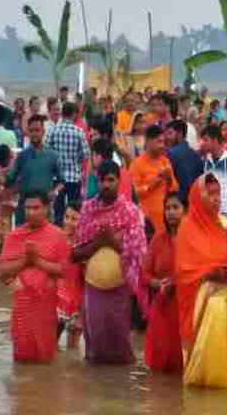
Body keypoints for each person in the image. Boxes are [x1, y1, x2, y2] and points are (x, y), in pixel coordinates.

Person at [72, 160, 148, 364]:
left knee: (120, 343)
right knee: (95, 345)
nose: (105, 185)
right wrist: (97, 244)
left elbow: (138, 255)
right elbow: (75, 254)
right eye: (101, 180)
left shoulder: (130, 212)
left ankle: (121, 389)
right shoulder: (88, 210)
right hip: (93, 289)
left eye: (110, 180)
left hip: (120, 289)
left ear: (119, 181)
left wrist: (113, 243)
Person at [176, 173, 227, 388]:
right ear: (198, 197)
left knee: (219, 361)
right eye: (210, 194)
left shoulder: (222, 227)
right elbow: (183, 272)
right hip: (197, 302)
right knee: (196, 372)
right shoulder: (186, 228)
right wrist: (209, 274)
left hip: (221, 299)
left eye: (218, 194)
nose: (216, 198)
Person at [0, 191, 70, 362]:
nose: (31, 212)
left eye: (36, 208)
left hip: (46, 305)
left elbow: (64, 270)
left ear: (46, 209)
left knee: (44, 358)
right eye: (27, 208)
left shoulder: (57, 236)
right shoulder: (15, 236)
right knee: (22, 357)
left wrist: (37, 261)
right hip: (22, 305)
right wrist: (25, 260)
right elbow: (3, 271)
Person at [142, 192, 185, 373]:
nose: (171, 212)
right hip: (161, 307)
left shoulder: (192, 239)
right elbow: (144, 274)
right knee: (158, 366)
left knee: (183, 362)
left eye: (175, 207)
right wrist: (159, 284)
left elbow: (200, 271)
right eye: (167, 208)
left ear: (185, 210)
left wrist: (177, 283)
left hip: (185, 307)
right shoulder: (158, 239)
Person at [4, 115, 63, 226]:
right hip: (24, 211)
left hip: (45, 209)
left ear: (43, 131)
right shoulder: (22, 156)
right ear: (27, 132)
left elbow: (61, 181)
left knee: (45, 241)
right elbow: (9, 179)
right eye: (31, 131)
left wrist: (54, 192)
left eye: (37, 130)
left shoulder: (52, 156)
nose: (34, 134)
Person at [45, 101, 90, 226]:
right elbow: (86, 154)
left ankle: (57, 233)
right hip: (74, 177)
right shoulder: (79, 132)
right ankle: (71, 235)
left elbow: (46, 151)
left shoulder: (53, 130)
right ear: (74, 114)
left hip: (57, 177)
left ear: (62, 113)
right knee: (74, 209)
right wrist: (76, 159)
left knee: (58, 209)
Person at [129, 125, 179, 233]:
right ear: (149, 142)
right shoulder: (137, 164)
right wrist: (153, 184)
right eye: (159, 142)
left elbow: (175, 190)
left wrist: (169, 178)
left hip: (166, 222)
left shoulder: (165, 161)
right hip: (147, 223)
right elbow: (133, 194)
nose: (163, 146)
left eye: (163, 142)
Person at [57, 202, 83, 349]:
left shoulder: (84, 246)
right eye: (66, 217)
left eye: (74, 219)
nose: (68, 222)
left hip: (76, 306)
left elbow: (87, 280)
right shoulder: (56, 239)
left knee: (73, 351)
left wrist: (82, 315)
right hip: (57, 302)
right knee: (51, 349)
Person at [200, 124, 227, 220]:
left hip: (225, 211)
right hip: (209, 211)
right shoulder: (205, 161)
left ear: (215, 140)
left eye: (205, 139)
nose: (203, 143)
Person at [165, 119, 203, 201]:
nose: (167, 137)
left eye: (170, 133)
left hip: (177, 201)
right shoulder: (196, 155)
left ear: (180, 134)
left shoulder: (171, 154)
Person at [0, 145, 17, 249]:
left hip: (17, 197)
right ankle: (4, 248)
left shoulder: (17, 162)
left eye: (4, 164)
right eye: (0, 165)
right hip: (4, 200)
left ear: (10, 156)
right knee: (3, 229)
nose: (2, 167)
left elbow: (17, 183)